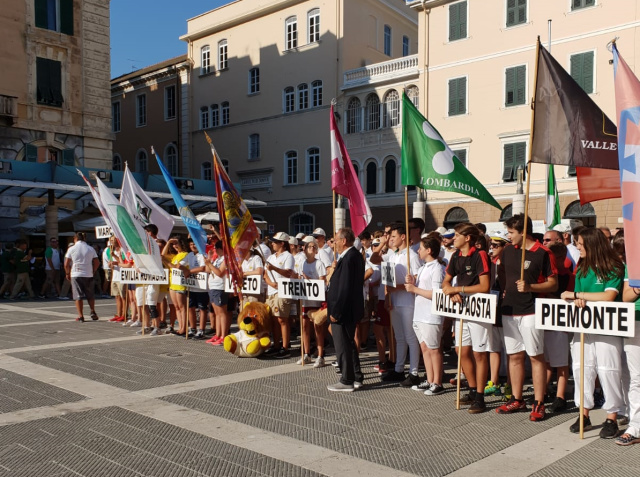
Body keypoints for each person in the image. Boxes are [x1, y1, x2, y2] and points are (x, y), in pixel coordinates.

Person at [560, 227, 625, 438]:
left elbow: (608, 297)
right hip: (583, 325)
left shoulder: (614, 266)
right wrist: (578, 298)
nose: (577, 247)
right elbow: (576, 297)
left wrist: (579, 294)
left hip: (607, 326)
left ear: (591, 243)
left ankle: (611, 417)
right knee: (581, 369)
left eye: (580, 243)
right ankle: (584, 414)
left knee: (608, 370)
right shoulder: (582, 267)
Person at [497, 214, 557, 422]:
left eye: (511, 232)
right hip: (509, 309)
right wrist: (506, 289)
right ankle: (517, 398)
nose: (508, 236)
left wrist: (530, 287)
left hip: (531, 309)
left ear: (523, 232)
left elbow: (553, 283)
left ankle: (539, 403)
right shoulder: (507, 251)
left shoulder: (543, 253)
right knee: (514, 356)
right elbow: (502, 272)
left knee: (535, 356)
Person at [442, 223, 491, 413]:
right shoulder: (455, 256)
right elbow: (446, 280)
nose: (454, 238)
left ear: (467, 238)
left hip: (478, 308)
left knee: (479, 353)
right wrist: (450, 291)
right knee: (461, 350)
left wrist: (458, 289)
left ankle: (480, 395)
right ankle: (472, 388)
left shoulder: (480, 255)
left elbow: (484, 285)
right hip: (462, 309)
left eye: (457, 235)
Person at [381, 222, 422, 387]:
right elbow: (387, 280)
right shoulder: (393, 256)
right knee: (399, 337)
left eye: (394, 236)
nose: (391, 239)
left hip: (408, 302)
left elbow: (417, 281)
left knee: (411, 337)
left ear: (403, 237)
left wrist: (397, 287)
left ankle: (413, 372)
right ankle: (399, 369)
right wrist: (387, 297)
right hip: (395, 302)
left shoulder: (411, 256)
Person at [405, 236, 446, 395]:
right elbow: (419, 286)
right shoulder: (423, 267)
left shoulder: (437, 268)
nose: (418, 251)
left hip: (431, 315)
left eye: (421, 248)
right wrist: (412, 281)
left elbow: (437, 294)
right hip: (420, 314)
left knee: (434, 349)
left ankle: (438, 382)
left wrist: (414, 289)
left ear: (429, 250)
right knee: (425, 348)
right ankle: (429, 379)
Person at [326, 227, 365, 392]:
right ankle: (356, 376)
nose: (334, 243)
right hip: (349, 308)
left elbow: (344, 288)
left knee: (342, 346)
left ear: (344, 241)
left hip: (343, 310)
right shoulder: (352, 256)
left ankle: (346, 379)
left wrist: (336, 311)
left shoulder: (349, 258)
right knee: (349, 344)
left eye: (335, 240)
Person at [617, 260, 640, 446]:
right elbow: (625, 296)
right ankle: (636, 426)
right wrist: (638, 288)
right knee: (637, 377)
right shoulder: (634, 262)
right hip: (636, 321)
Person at [263, 232, 296, 358]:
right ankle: (276, 345)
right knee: (273, 319)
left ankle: (285, 347)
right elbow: (265, 274)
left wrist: (274, 269)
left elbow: (288, 273)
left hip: (283, 291)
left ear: (282, 243)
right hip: (271, 291)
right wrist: (271, 283)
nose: (272, 244)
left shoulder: (288, 256)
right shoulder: (271, 257)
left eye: (275, 242)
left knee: (282, 319)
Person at [297, 239, 327, 367]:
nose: (312, 248)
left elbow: (322, 281)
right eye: (309, 246)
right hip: (305, 299)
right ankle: (306, 353)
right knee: (304, 326)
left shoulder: (319, 264)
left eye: (314, 247)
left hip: (316, 300)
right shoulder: (302, 263)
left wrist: (309, 280)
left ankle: (320, 355)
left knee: (317, 327)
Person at [64, 232, 99, 322]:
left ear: (75, 238)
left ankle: (81, 316)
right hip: (88, 273)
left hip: (76, 273)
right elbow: (97, 262)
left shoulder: (72, 249)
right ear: (84, 239)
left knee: (78, 295)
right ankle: (92, 311)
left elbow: (66, 264)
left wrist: (67, 273)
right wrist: (93, 270)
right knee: (90, 294)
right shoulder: (90, 248)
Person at [163, 237, 190, 336]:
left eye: (176, 244)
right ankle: (180, 327)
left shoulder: (185, 255)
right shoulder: (175, 256)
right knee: (177, 307)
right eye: (173, 244)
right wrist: (168, 242)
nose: (175, 246)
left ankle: (184, 327)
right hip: (173, 282)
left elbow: (176, 267)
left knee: (182, 307)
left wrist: (167, 262)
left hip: (180, 283)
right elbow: (163, 255)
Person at [205, 241, 229, 345]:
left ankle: (224, 335)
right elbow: (207, 270)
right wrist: (209, 260)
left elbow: (220, 273)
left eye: (216, 248)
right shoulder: (217, 259)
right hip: (213, 287)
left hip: (220, 287)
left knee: (222, 312)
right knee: (217, 313)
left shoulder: (226, 259)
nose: (214, 250)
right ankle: (218, 334)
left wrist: (210, 264)